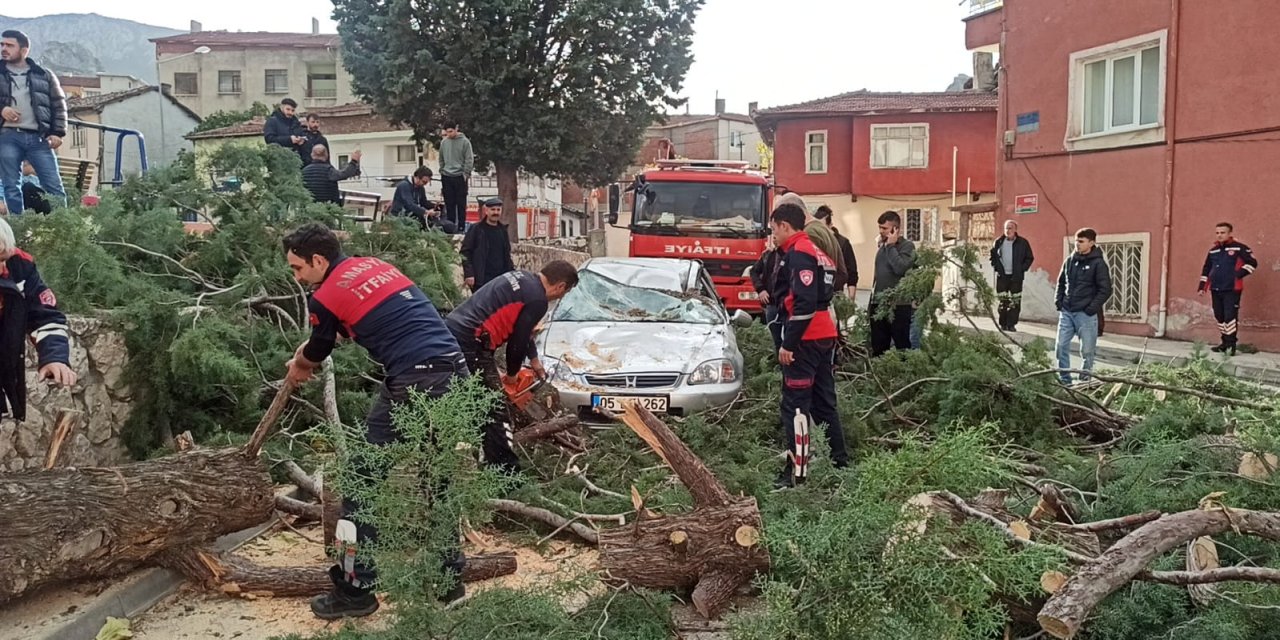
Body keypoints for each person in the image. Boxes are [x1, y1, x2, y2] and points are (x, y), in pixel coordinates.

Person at [281, 223, 470, 619]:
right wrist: (311, 349)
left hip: (415, 379)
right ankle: (449, 582)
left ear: (319, 260)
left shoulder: (324, 295)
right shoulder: (375, 266)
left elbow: (319, 347)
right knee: (438, 481)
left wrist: (301, 364)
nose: (297, 278)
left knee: (362, 483)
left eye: (298, 269)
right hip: (454, 370)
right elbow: (364, 324)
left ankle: (356, 590)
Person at [444, 261, 578, 473]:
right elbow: (516, 343)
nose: (559, 298)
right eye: (564, 293)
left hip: (455, 331)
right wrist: (513, 376)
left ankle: (476, 453)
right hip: (472, 341)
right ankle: (504, 473)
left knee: (471, 399)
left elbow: (523, 332)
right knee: (494, 407)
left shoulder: (522, 279)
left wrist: (534, 361)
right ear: (561, 286)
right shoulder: (538, 300)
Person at [768, 202, 848, 489]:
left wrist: (789, 343)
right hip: (824, 334)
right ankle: (840, 464)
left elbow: (803, 302)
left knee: (796, 406)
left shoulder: (800, 253)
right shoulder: (816, 251)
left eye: (774, 229)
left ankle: (796, 473)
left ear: (784, 226)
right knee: (825, 403)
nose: (773, 236)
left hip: (806, 338)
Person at [0, 216, 76, 419]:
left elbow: (45, 316)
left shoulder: (20, 267)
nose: (3, 269)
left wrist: (54, 357)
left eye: (4, 259)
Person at [0, 30, 68, 215]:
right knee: (11, 187)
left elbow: (58, 105)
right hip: (7, 137)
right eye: (2, 44)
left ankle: (64, 228)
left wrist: (57, 132)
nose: (3, 49)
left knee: (54, 186)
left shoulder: (44, 75)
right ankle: (17, 232)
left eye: (9, 45)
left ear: (24, 50)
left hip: (39, 138)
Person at [1055, 228, 1112, 385]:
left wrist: (1091, 309)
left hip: (1085, 315)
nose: (1077, 244)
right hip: (1067, 311)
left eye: (1081, 241)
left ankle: (1084, 382)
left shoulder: (1098, 264)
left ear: (1091, 243)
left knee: (1087, 351)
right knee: (1060, 346)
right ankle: (1065, 381)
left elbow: (1106, 289)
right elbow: (1061, 283)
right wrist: (1059, 302)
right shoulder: (1070, 261)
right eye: (1076, 241)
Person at [1199, 222, 1258, 356]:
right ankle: (1224, 343)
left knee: (1230, 316)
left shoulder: (1240, 248)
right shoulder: (1213, 250)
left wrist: (1238, 275)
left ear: (1230, 233)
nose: (1219, 235)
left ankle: (1231, 345)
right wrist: (1202, 287)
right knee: (1219, 315)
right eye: (1217, 233)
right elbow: (1207, 269)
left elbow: (1253, 263)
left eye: (1222, 232)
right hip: (1216, 288)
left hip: (1232, 289)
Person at [868, 211, 916, 356]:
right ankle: (880, 374)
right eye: (880, 228)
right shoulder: (882, 247)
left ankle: (903, 374)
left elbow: (900, 268)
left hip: (898, 305)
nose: (881, 231)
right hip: (879, 303)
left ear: (896, 229)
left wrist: (891, 246)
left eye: (885, 228)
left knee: (901, 345)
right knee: (878, 346)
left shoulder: (907, 246)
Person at [460, 197, 514, 292]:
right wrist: (469, 274)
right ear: (486, 211)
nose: (495, 212)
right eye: (493, 209)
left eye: (498, 210)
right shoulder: (476, 229)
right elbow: (465, 252)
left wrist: (512, 274)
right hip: (481, 279)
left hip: (500, 280)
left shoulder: (503, 230)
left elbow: (507, 255)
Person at [989, 220, 1035, 331]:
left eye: (1010, 228)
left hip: (1016, 277)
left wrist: (1021, 269)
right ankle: (1003, 324)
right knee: (1003, 301)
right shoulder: (998, 242)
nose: (1008, 230)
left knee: (1015, 301)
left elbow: (1029, 258)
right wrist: (996, 267)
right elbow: (993, 257)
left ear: (1015, 230)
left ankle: (1011, 324)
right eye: (1006, 228)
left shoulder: (1023, 243)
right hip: (1002, 277)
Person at [389, 166, 456, 233]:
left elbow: (423, 202)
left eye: (427, 182)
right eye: (424, 182)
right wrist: (426, 212)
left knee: (448, 226)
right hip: (401, 218)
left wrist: (435, 206)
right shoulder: (404, 185)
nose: (425, 184)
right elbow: (410, 205)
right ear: (417, 178)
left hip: (414, 216)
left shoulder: (420, 187)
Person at [814, 205, 858, 296]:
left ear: (830, 225)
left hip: (836, 293)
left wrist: (851, 299)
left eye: (822, 227)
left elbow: (852, 273)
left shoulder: (842, 242)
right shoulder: (813, 240)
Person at [438, 123, 474, 230]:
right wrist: (442, 170)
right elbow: (441, 158)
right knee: (449, 203)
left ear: (456, 129)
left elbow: (469, 159)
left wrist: (465, 174)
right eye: (447, 132)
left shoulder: (465, 142)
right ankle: (450, 226)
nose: (449, 134)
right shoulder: (444, 143)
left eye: (451, 131)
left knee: (461, 203)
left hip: (460, 176)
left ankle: (461, 227)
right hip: (447, 176)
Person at [751, 233, 782, 350]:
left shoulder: (792, 255)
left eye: (776, 237)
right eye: (773, 237)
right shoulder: (767, 255)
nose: (775, 240)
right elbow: (754, 272)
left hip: (787, 305)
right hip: (771, 303)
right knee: (777, 340)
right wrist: (761, 289)